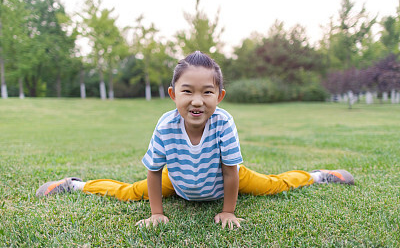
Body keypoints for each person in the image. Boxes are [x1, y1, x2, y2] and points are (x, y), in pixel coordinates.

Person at [36, 51, 354, 229]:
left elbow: (231, 171)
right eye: (188, 91)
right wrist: (157, 213)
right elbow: (153, 171)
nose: (197, 100)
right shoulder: (165, 125)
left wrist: (228, 211)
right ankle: (74, 184)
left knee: (274, 184)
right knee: (127, 192)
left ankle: (320, 176)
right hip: (177, 181)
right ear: (174, 94)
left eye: (207, 92)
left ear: (220, 96)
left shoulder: (224, 122)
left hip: (224, 179)